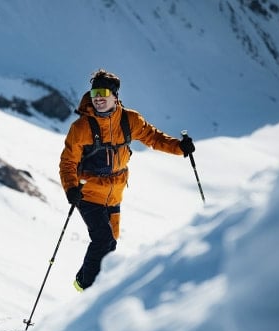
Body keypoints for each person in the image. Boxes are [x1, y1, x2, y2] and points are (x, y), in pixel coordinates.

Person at [59, 69, 195, 291]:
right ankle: (87, 289)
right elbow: (68, 162)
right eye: (94, 93)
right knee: (103, 240)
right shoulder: (81, 127)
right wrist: (71, 188)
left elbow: (153, 137)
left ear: (115, 95)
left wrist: (180, 148)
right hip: (88, 193)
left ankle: (83, 282)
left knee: (110, 244)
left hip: (115, 193)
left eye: (103, 92)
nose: (98, 98)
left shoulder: (130, 120)